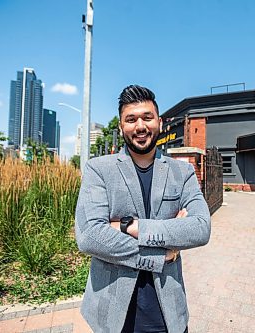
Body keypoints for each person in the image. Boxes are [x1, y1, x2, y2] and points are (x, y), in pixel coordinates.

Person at [75, 85, 211, 333]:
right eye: (131, 119)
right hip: (112, 315)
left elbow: (201, 228)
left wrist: (130, 227)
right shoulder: (98, 170)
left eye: (147, 117)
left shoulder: (182, 173)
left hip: (167, 312)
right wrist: (160, 255)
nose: (140, 126)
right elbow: (89, 236)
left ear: (159, 122)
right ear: (121, 127)